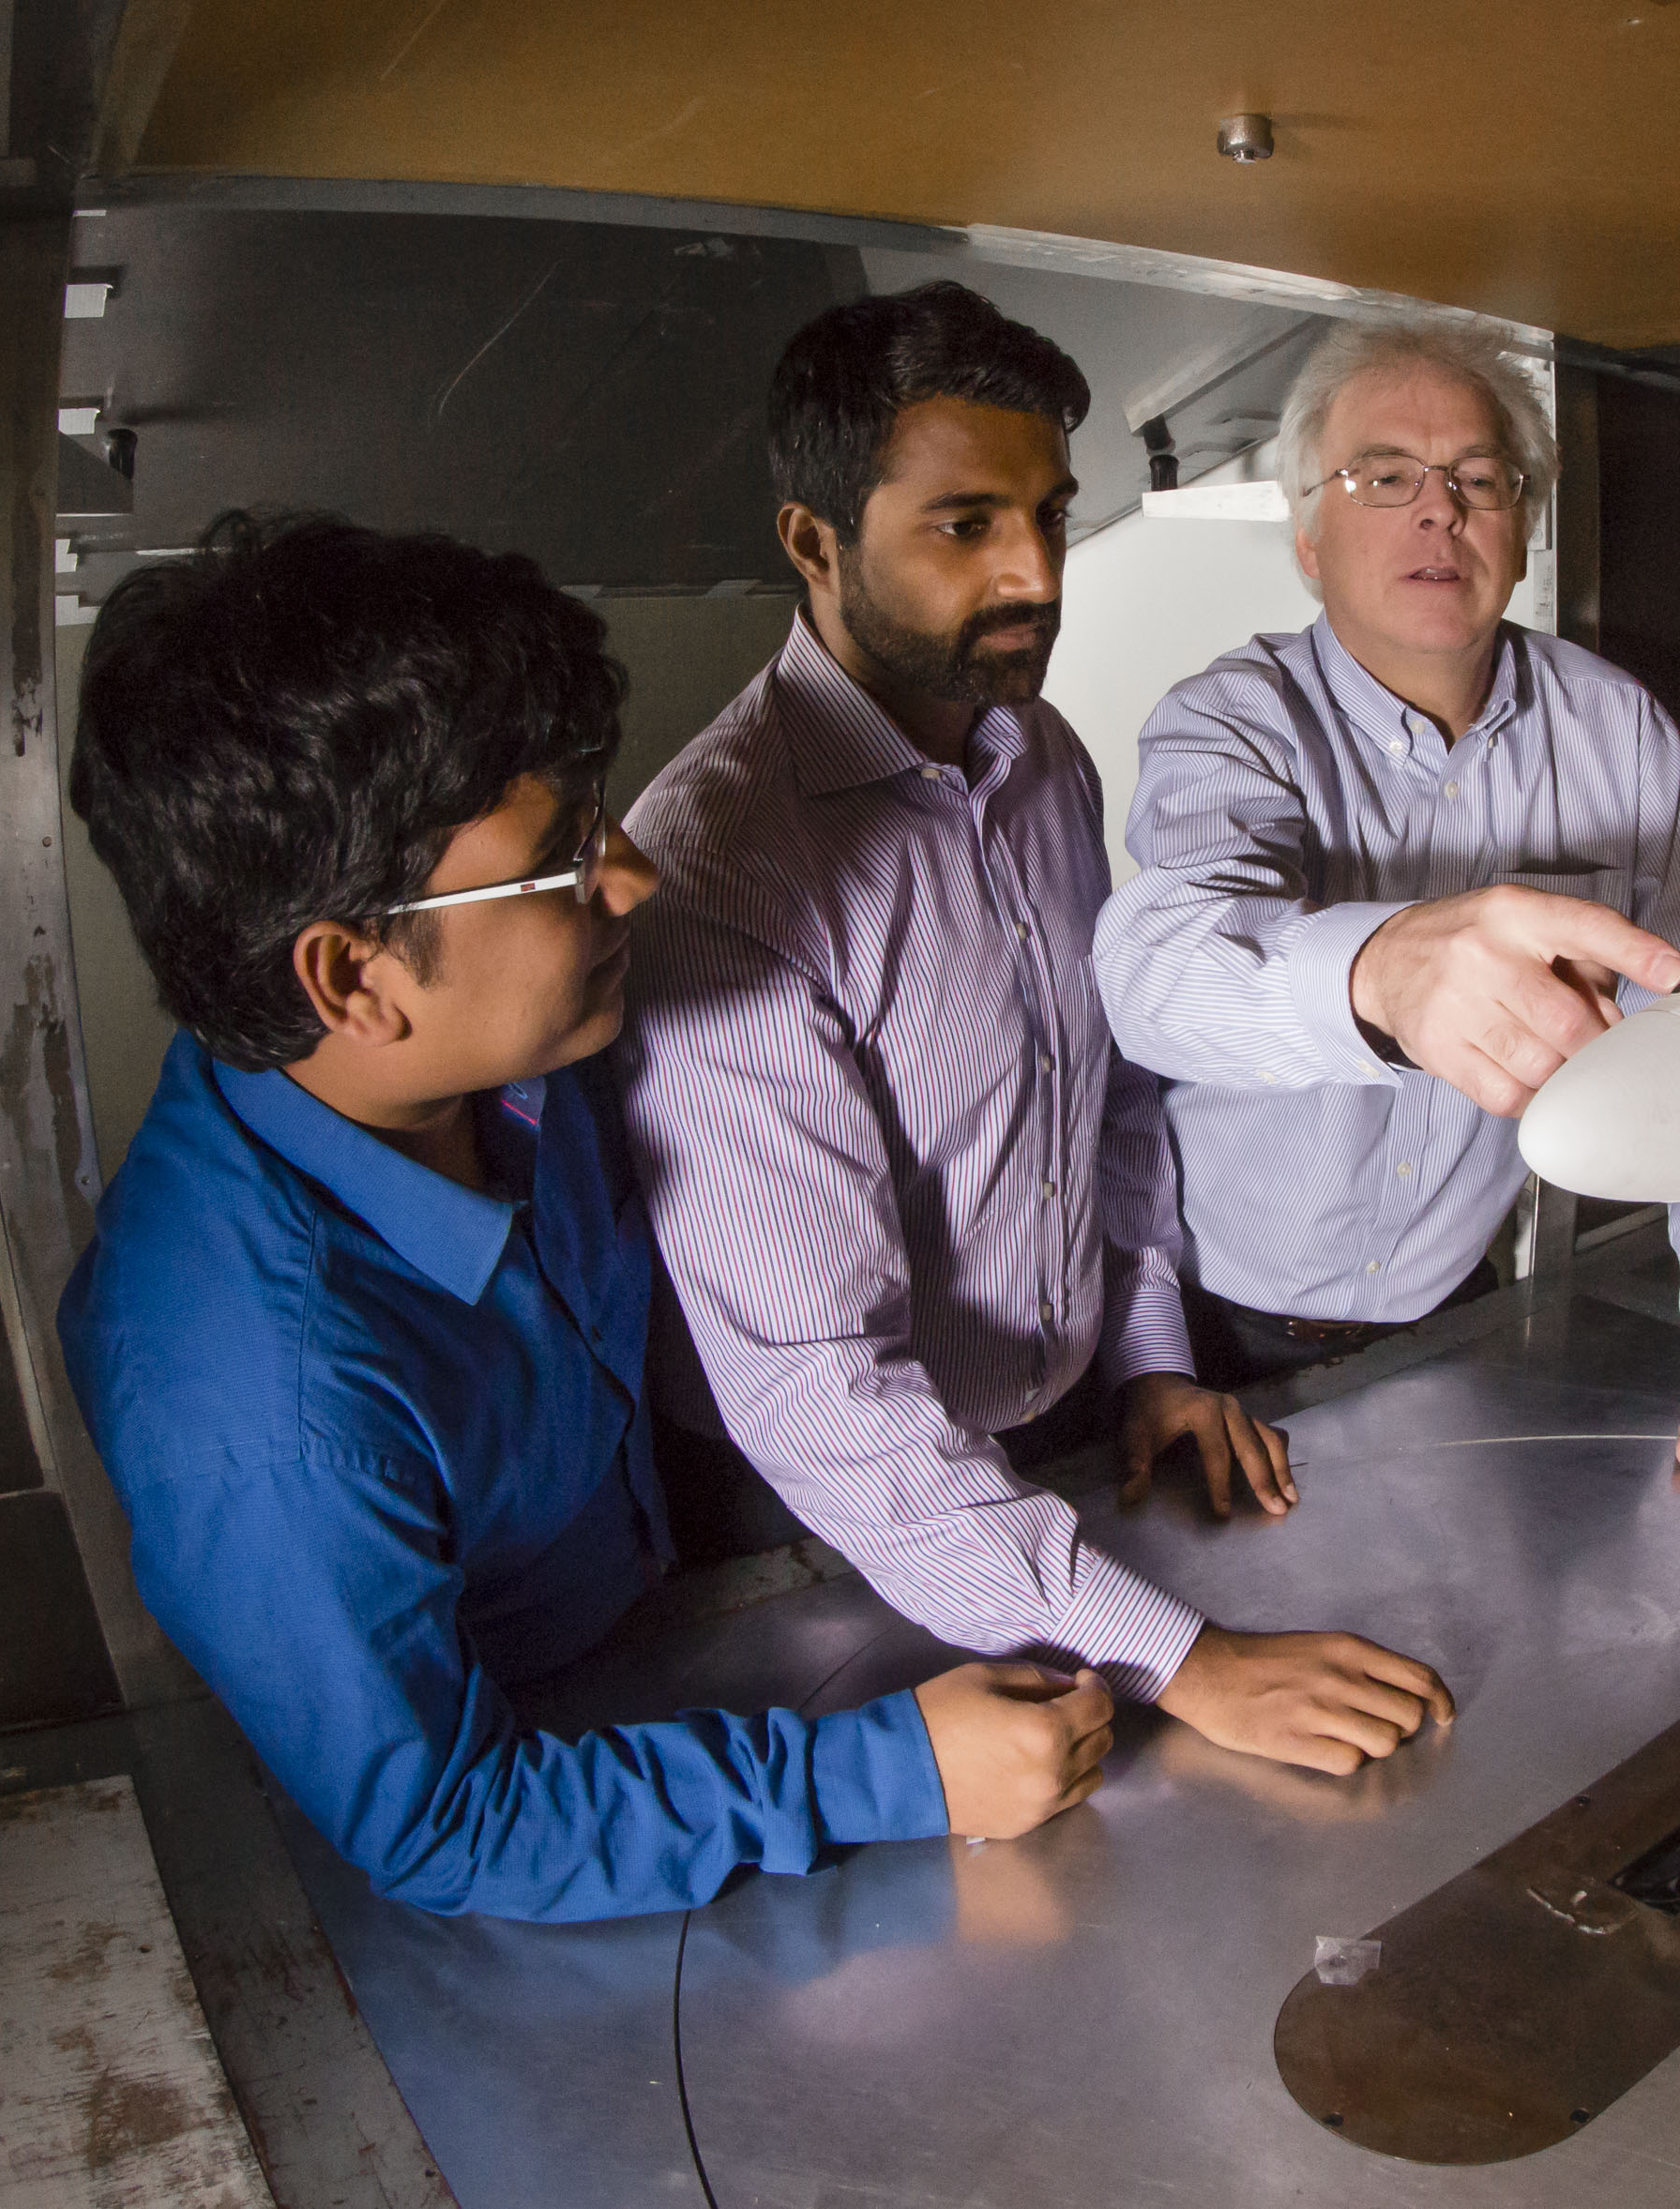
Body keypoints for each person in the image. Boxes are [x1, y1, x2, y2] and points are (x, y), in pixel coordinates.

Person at [56, 511, 1109, 1922]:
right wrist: (891, 1772)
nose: (635, 875)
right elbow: (444, 1819)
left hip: (682, 1607)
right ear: (354, 976)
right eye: (563, 861)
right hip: (560, 1774)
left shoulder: (514, 1065)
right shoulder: (260, 1406)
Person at [619, 282, 1454, 1777]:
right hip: (822, 1506)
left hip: (1061, 1433)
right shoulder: (716, 873)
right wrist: (1190, 1660)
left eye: (1051, 514)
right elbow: (823, 1395)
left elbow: (1107, 1096)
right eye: (964, 523)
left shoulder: (1040, 754)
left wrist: (1147, 1361)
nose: (1032, 572)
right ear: (814, 541)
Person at [1091, 320, 1680, 1484]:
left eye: (1478, 479)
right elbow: (1161, 975)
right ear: (1307, 536)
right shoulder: (1229, 723)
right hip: (1209, 1347)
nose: (1438, 510)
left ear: (1522, 523)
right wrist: (1379, 974)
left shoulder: (1616, 731)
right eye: (1385, 476)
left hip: (1459, 1321)